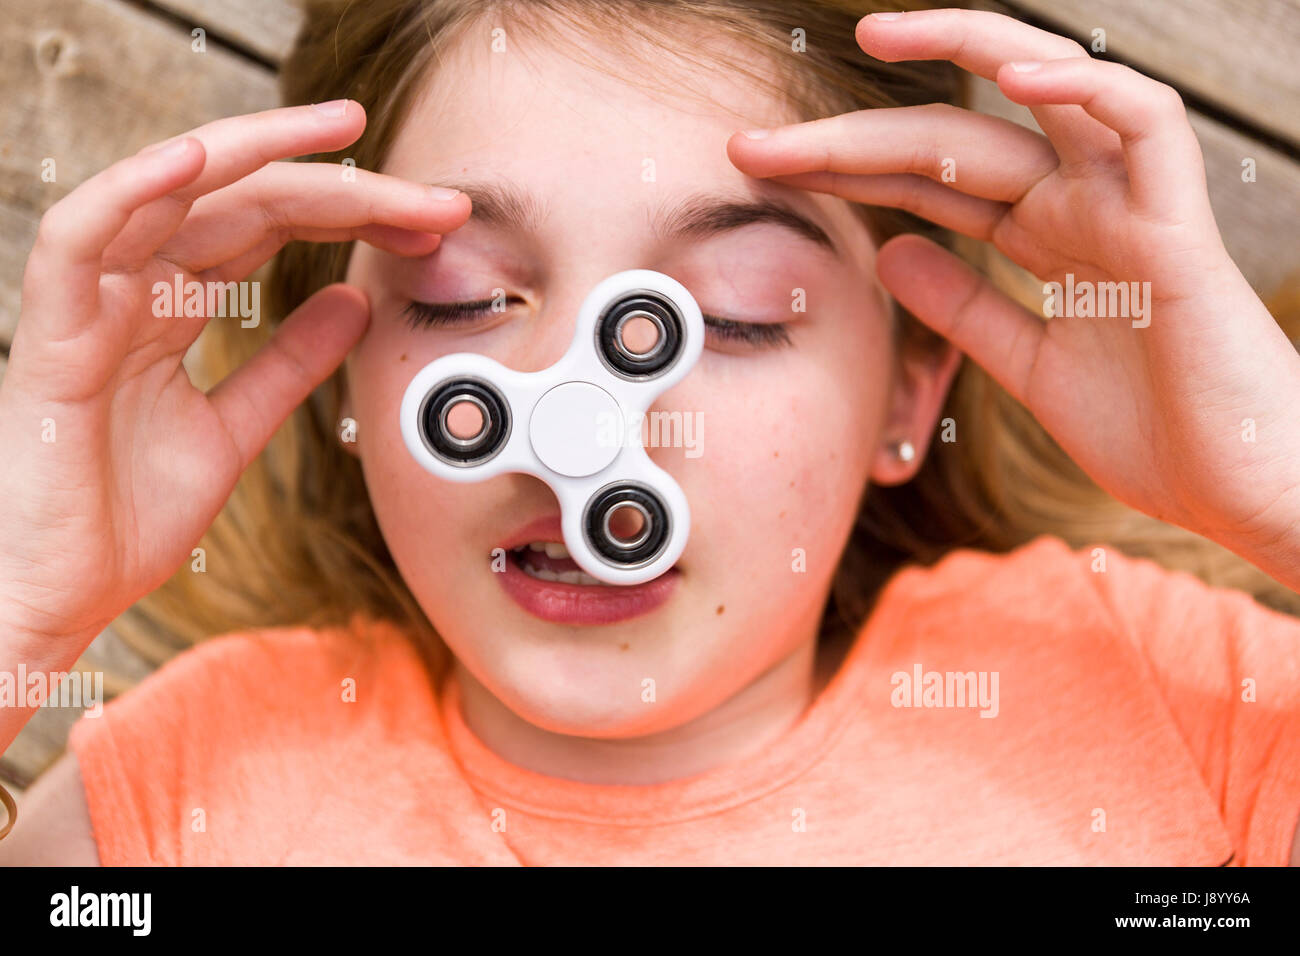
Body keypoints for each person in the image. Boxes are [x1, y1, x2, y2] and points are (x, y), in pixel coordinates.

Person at [1, 1, 1298, 865]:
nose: (578, 428)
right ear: (339, 380)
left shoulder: (1165, 694)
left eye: (728, 320)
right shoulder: (175, 803)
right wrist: (20, 610)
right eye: (462, 301)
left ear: (911, 394)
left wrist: (1275, 482)